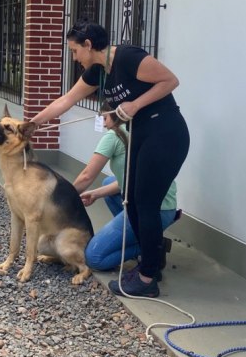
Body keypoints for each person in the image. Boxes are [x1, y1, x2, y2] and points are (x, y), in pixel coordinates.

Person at [31, 21, 190, 297]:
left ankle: (148, 278)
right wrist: (31, 124)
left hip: (166, 133)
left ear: (88, 45)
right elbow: (66, 100)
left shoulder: (128, 58)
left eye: (74, 51)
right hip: (142, 133)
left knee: (145, 203)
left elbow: (171, 81)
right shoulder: (98, 73)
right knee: (135, 201)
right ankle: (152, 257)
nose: (74, 57)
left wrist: (135, 105)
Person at [72, 107, 179, 274]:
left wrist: (63, 196)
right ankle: (145, 236)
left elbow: (87, 176)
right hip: (166, 207)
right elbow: (130, 180)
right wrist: (95, 194)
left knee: (94, 257)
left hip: (153, 210)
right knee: (109, 182)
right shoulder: (142, 129)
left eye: (105, 118)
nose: (105, 124)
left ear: (115, 116)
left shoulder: (114, 135)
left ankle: (154, 245)